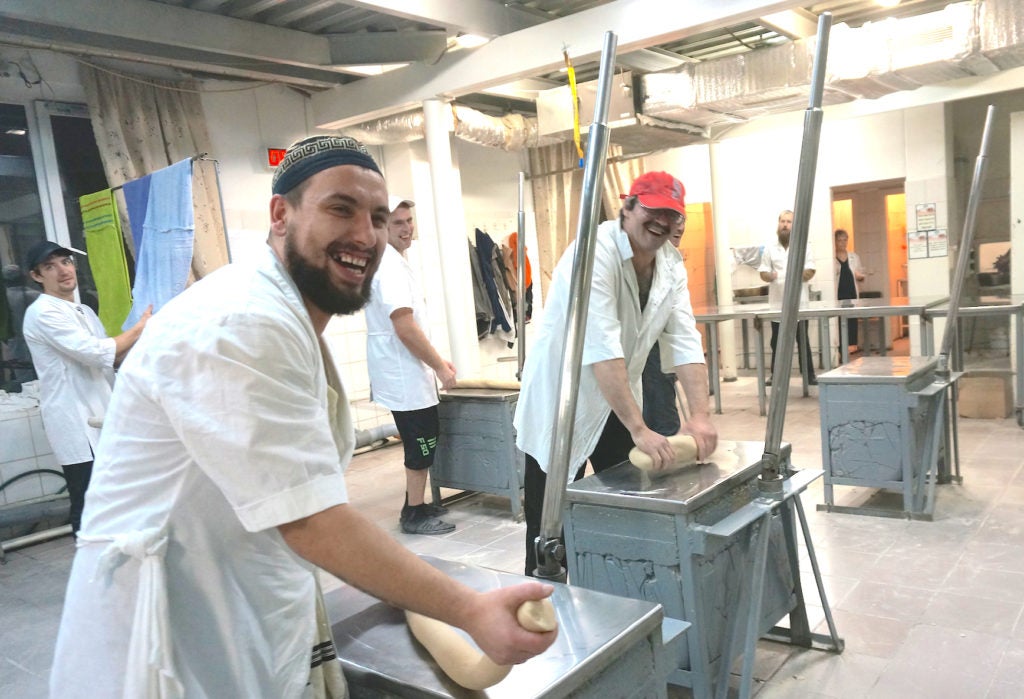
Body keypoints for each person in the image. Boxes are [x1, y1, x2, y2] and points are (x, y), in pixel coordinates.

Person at [50, 135, 555, 698]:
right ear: (280, 213)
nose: (365, 235)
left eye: (379, 218)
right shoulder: (241, 320)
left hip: (237, 595)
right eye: (341, 208)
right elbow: (312, 521)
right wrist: (468, 609)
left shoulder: (283, 314)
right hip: (163, 636)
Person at [514, 171, 718, 577]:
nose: (661, 221)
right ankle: (543, 601)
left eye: (671, 215)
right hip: (563, 401)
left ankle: (613, 593)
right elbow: (601, 348)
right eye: (652, 210)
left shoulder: (670, 265)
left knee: (621, 503)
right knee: (549, 521)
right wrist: (640, 429)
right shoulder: (594, 253)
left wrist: (700, 416)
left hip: (618, 400)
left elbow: (685, 341)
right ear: (628, 207)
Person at [20, 241, 150, 534]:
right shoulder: (42, 313)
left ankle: (114, 563)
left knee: (114, 498)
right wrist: (140, 327)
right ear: (37, 276)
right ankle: (88, 572)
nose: (62, 271)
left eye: (65, 262)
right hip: (75, 421)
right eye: (50, 267)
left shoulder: (84, 312)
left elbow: (110, 357)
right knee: (88, 501)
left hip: (102, 413)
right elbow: (94, 352)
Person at [365, 196, 457, 535]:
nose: (407, 228)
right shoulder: (388, 266)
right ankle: (414, 516)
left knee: (423, 439)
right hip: (403, 372)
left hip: (403, 368)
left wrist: (435, 360)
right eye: (398, 223)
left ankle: (413, 504)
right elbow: (404, 327)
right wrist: (440, 368)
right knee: (421, 443)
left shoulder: (394, 261)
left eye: (409, 221)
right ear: (382, 227)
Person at [759, 209, 816, 386]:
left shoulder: (803, 246)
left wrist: (796, 275)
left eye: (788, 222)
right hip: (777, 304)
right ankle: (776, 375)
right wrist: (771, 276)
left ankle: (809, 375)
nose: (785, 225)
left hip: (799, 303)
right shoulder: (770, 247)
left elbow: (811, 270)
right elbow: (763, 272)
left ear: (794, 225)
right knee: (777, 341)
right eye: (782, 221)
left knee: (802, 341)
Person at [641, 225, 686, 437]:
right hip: (645, 357)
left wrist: (700, 415)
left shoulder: (673, 263)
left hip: (659, 356)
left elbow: (685, 334)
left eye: (681, 218)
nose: (679, 225)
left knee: (663, 421)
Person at [2, 263, 40, 384]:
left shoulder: (5, 299)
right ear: (24, 277)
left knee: (25, 383)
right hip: (37, 344)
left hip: (15, 347)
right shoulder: (36, 296)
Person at [833, 228, 865, 348]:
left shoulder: (853, 257)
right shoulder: (832, 258)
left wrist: (860, 276)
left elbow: (859, 273)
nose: (842, 243)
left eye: (845, 240)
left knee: (851, 321)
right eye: (839, 240)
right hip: (839, 294)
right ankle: (840, 349)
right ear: (835, 241)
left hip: (851, 292)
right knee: (839, 322)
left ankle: (849, 347)